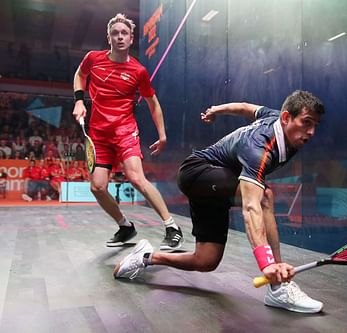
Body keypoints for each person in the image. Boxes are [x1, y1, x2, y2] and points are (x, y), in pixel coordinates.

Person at [114, 90, 326, 313]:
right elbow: (251, 207)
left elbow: (245, 107)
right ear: (286, 118)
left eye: (315, 125)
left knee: (206, 260)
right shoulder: (260, 148)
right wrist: (268, 265)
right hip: (198, 172)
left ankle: (146, 257)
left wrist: (217, 110)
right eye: (306, 123)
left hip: (217, 184)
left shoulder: (274, 117)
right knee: (263, 197)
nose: (311, 132)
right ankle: (279, 286)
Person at [72, 13, 183, 250]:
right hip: (98, 135)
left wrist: (162, 135)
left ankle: (172, 227)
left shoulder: (138, 71)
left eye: (124, 33)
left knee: (136, 177)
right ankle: (125, 226)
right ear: (108, 37)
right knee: (97, 187)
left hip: (124, 131)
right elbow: (80, 75)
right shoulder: (93, 59)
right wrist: (79, 101)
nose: (120, 37)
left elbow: (154, 104)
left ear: (131, 38)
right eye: (115, 33)